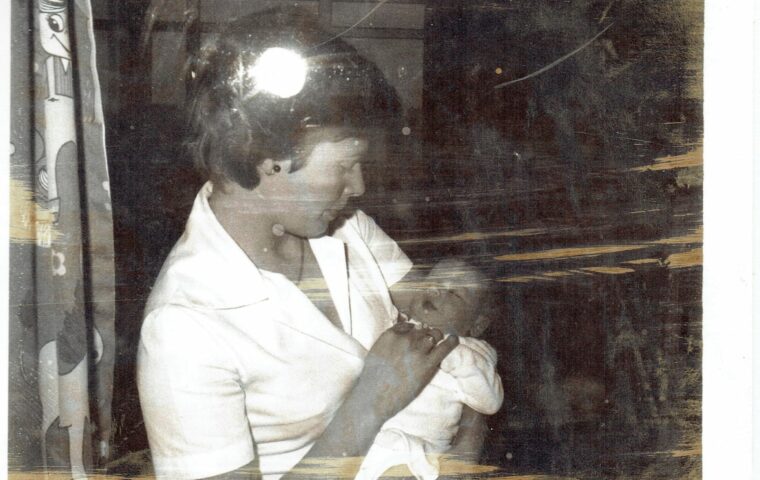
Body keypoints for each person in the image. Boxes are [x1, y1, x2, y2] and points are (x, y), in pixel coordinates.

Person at [136, 8, 491, 480]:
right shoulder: (183, 326)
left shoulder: (348, 229)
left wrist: (463, 456)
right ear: (268, 157)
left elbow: (458, 334)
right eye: (344, 166)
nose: (359, 186)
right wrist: (370, 404)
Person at [356, 261, 504, 480]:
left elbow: (490, 402)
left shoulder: (472, 353)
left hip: (417, 455)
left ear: (477, 324)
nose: (436, 290)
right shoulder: (394, 325)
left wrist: (452, 355)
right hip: (364, 440)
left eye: (453, 293)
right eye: (432, 282)